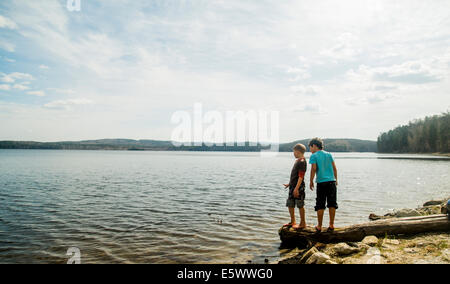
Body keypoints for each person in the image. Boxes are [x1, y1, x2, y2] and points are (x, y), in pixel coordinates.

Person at [308, 138, 338, 233]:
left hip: (321, 183)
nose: (310, 150)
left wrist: (311, 181)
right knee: (332, 203)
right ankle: (331, 224)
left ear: (314, 146)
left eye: (310, 147)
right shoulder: (329, 154)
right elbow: (334, 168)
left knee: (320, 204)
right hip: (331, 182)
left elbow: (313, 169)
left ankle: (319, 226)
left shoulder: (314, 156)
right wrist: (336, 180)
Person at [283, 143, 307, 230]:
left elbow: (301, 176)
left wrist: (296, 189)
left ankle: (303, 223)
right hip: (293, 186)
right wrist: (289, 184)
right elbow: (294, 175)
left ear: (298, 151)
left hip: (298, 187)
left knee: (300, 204)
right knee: (290, 204)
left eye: (294, 152)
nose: (293, 154)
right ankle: (293, 221)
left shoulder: (302, 162)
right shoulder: (297, 161)